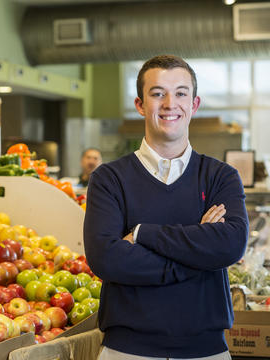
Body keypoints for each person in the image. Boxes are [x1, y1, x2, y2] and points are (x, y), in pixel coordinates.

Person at [84, 55, 249, 360]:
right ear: (140, 105)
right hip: (126, 351)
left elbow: (231, 245)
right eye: (158, 93)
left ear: (194, 105)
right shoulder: (109, 179)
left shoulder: (221, 177)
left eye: (181, 93)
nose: (170, 103)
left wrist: (143, 234)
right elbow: (106, 259)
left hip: (207, 351)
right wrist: (199, 254)